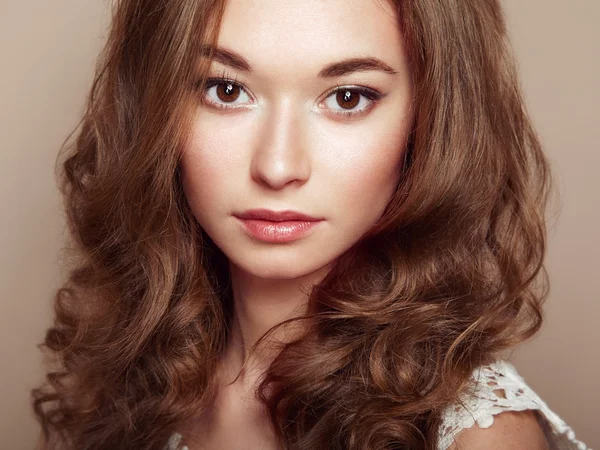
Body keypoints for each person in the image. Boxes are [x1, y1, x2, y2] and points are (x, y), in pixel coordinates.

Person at [31, 0, 590, 449]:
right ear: (154, 109)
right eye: (225, 90)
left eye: (347, 98)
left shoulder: (478, 436)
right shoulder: (134, 380)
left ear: (431, 122)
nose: (277, 167)